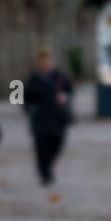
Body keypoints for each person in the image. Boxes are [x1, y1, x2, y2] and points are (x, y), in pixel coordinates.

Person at [23, 46, 74, 185]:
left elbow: (70, 91)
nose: (46, 64)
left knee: (57, 145)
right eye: (43, 61)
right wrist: (29, 109)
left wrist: (66, 97)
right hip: (40, 120)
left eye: (48, 61)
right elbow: (22, 97)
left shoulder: (60, 76)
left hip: (58, 118)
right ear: (39, 62)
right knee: (41, 149)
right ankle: (44, 173)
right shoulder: (33, 78)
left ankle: (47, 167)